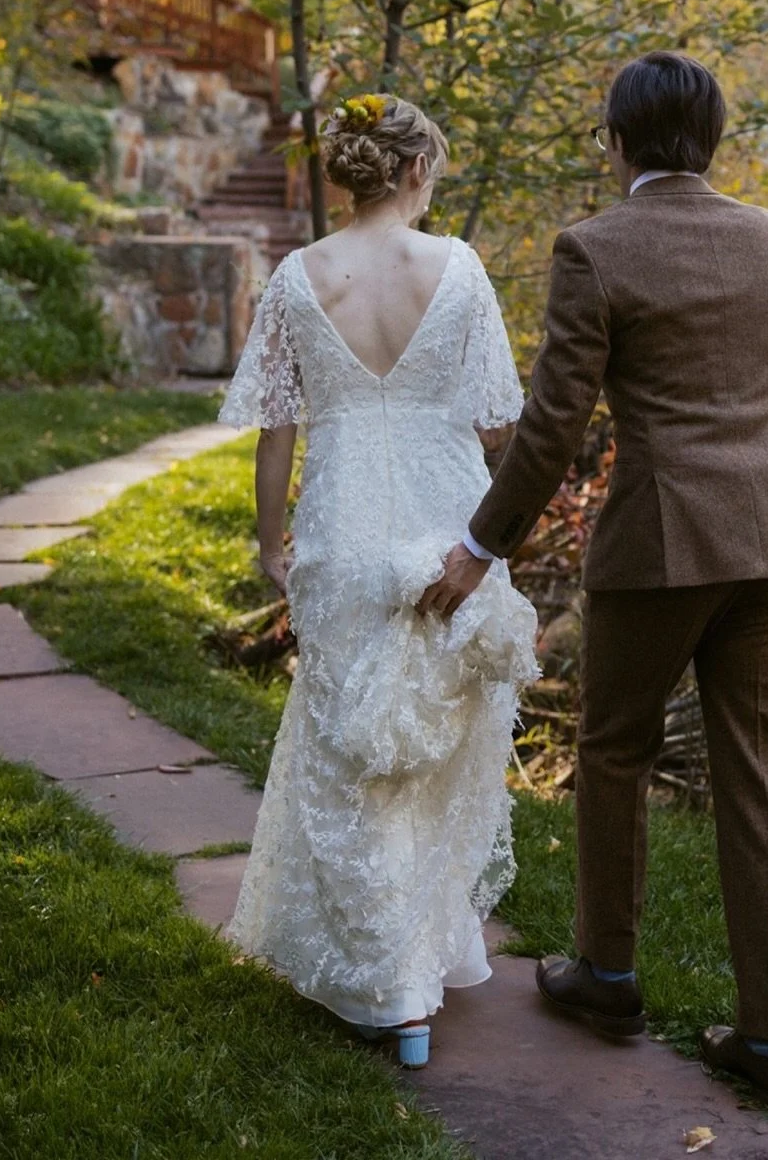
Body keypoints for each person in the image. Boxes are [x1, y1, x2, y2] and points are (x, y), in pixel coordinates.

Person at [433, 52, 768, 1111]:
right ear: (710, 140)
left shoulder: (597, 248)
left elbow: (552, 428)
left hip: (665, 541)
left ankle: (608, 975)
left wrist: (483, 546)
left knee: (615, 746)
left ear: (615, 141)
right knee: (763, 778)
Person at [218, 93, 537, 1070]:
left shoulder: (297, 277)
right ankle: (407, 982)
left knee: (351, 752)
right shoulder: (462, 269)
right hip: (449, 526)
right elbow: (498, 422)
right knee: (437, 745)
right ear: (411, 173)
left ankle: (389, 980)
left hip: (345, 527)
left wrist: (272, 545)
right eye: (431, 171)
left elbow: (279, 430)